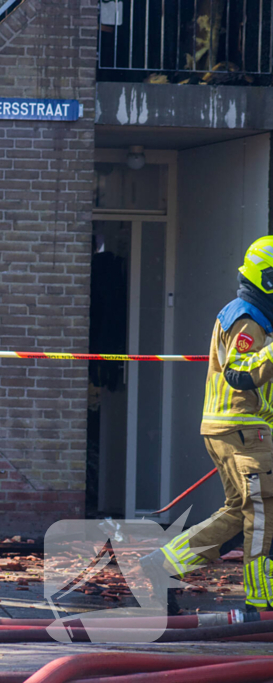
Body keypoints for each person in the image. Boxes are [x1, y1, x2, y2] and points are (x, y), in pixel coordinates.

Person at [140, 236, 273, 615]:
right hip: (243, 429)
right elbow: (240, 372)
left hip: (236, 427)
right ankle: (261, 601)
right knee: (265, 512)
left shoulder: (250, 316)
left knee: (240, 511)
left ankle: (162, 566)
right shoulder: (247, 320)